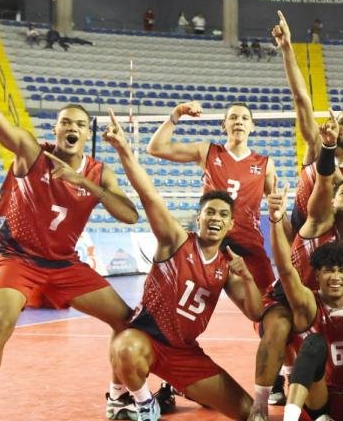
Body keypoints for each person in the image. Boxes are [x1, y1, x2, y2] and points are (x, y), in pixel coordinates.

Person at [0, 0, 141, 421]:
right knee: (0, 326)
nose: (71, 128)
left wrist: (84, 184)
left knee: (128, 322)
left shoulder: (98, 172)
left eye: (79, 124)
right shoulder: (30, 152)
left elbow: (130, 215)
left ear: (87, 133)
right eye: (65, 122)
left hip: (64, 265)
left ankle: (116, 396)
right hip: (18, 259)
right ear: (54, 129)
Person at [104, 110, 264, 421]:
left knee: (251, 414)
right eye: (210, 213)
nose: (215, 218)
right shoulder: (175, 240)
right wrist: (124, 150)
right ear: (199, 218)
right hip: (148, 340)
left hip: (186, 355)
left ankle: (182, 387)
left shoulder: (228, 265)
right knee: (124, 346)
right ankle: (143, 402)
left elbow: (255, 312)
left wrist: (246, 278)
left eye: (222, 215)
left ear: (231, 225)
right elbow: (148, 194)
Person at [249, 106, 343, 420]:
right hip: (294, 295)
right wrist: (328, 147)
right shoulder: (318, 219)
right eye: (342, 193)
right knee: (278, 326)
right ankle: (260, 404)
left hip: (328, 297)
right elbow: (326, 178)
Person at [266, 181, 343, 421]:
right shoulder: (307, 301)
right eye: (329, 270)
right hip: (318, 396)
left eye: (342, 271)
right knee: (315, 343)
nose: (336, 277)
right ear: (317, 274)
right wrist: (276, 221)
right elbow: (286, 270)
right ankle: (291, 415)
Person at [146, 101, 279, 295]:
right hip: (210, 240)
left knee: (269, 301)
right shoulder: (207, 151)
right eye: (233, 117)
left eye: (244, 118)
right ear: (224, 125)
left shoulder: (265, 164)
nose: (239, 122)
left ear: (252, 126)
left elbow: (275, 205)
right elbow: (156, 148)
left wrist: (278, 209)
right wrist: (176, 114)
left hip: (248, 243)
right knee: (179, 297)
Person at [274, 11, 343, 238]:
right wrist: (287, 48)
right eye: (342, 121)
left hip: (340, 254)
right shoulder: (317, 147)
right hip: (303, 243)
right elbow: (301, 98)